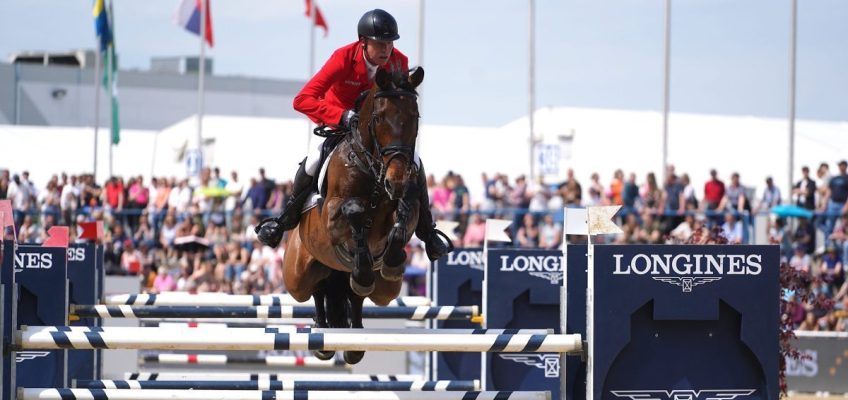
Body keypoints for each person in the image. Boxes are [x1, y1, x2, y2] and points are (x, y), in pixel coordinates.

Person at [255, 9, 449, 261]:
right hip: (337, 125)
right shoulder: (343, 58)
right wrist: (341, 116)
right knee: (314, 159)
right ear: (363, 42)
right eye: (380, 43)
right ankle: (284, 220)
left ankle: (428, 231)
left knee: (415, 161)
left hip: (377, 134)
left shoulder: (399, 61)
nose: (386, 49)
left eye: (390, 43)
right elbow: (302, 100)